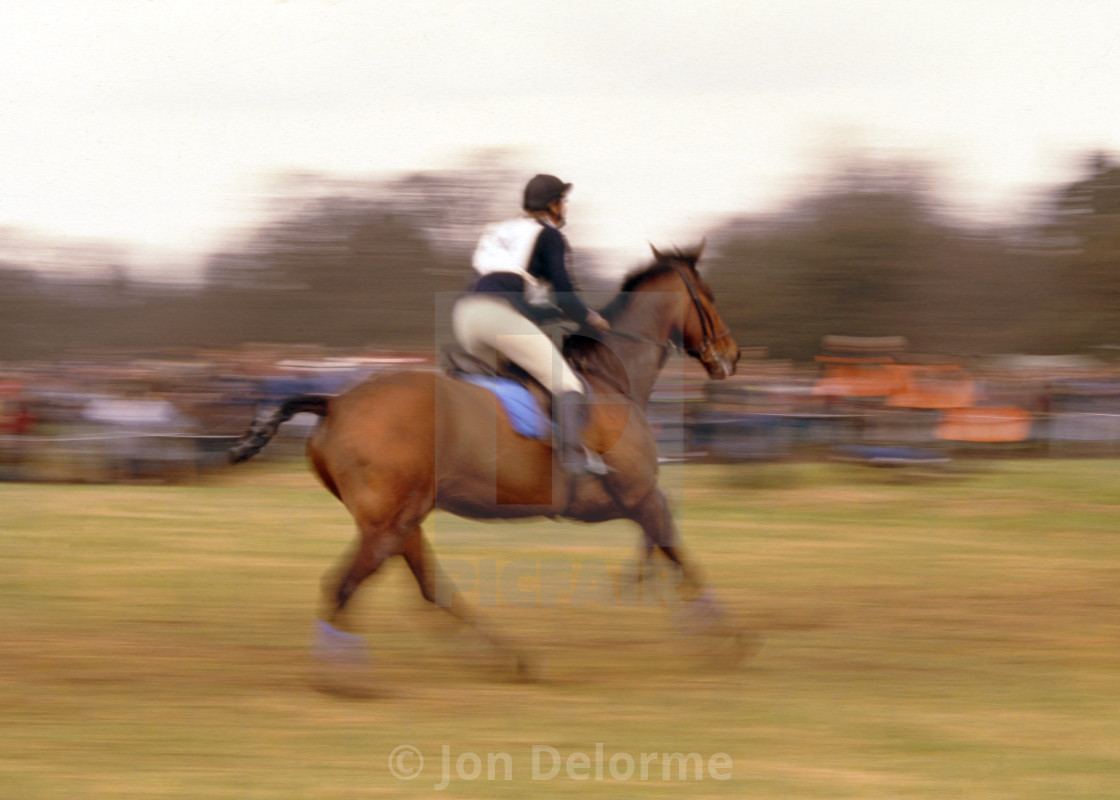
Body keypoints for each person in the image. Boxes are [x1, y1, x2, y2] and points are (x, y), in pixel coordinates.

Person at [452, 174, 610, 474]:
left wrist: (553, 313)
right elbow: (567, 297)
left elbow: (516, 298)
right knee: (567, 384)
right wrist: (592, 319)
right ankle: (573, 459)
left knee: (515, 383)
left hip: (466, 317)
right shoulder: (549, 235)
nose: (565, 207)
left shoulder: (499, 231)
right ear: (552, 205)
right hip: (498, 318)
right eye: (563, 201)